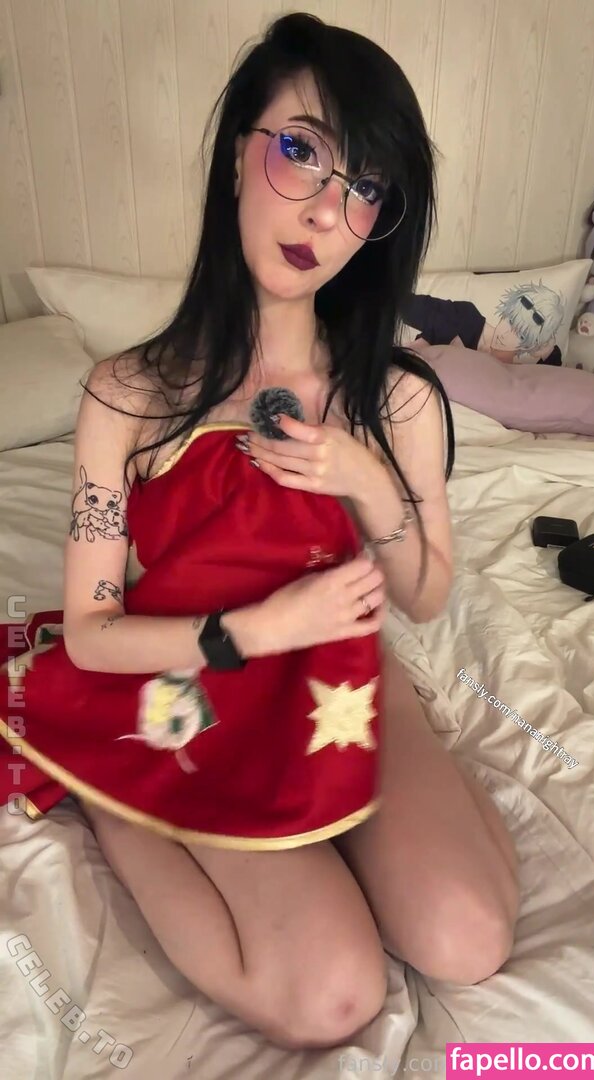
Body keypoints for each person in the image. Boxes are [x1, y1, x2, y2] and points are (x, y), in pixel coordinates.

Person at [0, 12, 519, 1051]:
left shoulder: (396, 398)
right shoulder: (127, 397)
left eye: (363, 186)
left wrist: (365, 481)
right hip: (190, 678)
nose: (325, 208)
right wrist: (263, 628)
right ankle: (109, 789)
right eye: (301, 151)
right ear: (237, 154)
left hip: (338, 678)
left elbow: (424, 596)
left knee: (466, 938)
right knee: (331, 995)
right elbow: (93, 634)